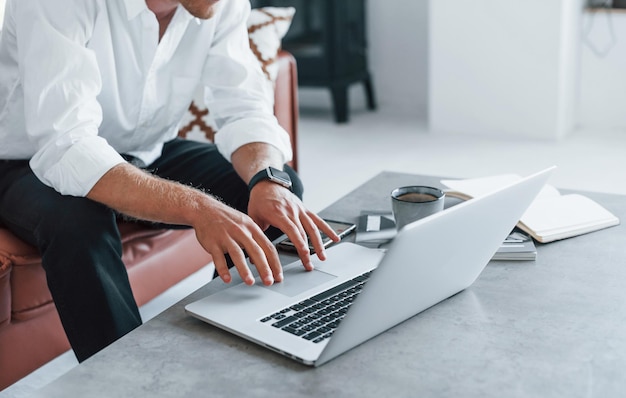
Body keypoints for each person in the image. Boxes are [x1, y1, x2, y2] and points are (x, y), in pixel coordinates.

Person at [0, 0, 339, 362]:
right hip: (27, 160)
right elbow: (66, 146)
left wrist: (268, 179)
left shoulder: (218, 4)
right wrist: (197, 207)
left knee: (271, 190)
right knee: (78, 224)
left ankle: (233, 351)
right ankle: (128, 381)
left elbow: (245, 106)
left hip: (142, 150)